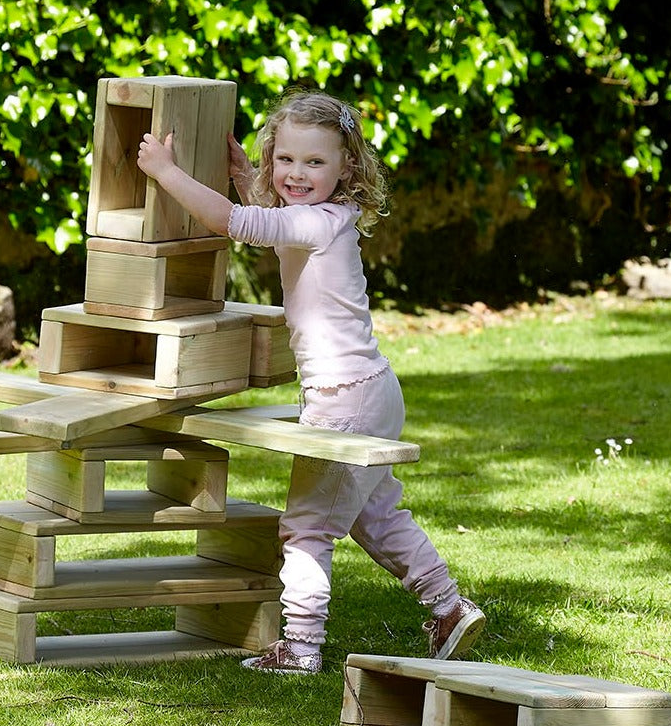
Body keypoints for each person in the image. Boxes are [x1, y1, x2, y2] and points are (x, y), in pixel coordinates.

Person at [137, 90, 485, 673]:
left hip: (343, 400)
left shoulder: (317, 222)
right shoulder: (325, 217)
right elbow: (270, 214)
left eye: (315, 163)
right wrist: (248, 173)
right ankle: (448, 608)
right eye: (286, 160)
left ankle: (299, 647)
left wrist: (166, 171)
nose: (297, 174)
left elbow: (233, 221)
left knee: (304, 530)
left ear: (347, 166)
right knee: (377, 516)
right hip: (373, 390)